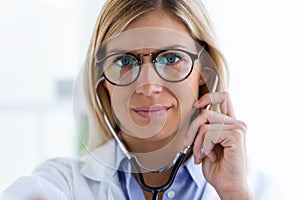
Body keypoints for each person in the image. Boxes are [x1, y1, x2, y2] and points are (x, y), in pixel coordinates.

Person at [1, 0, 277, 199]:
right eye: (124, 61)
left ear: (203, 72)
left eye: (171, 59)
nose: (147, 85)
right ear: (102, 80)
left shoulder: (255, 189)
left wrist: (233, 194)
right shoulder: (61, 183)